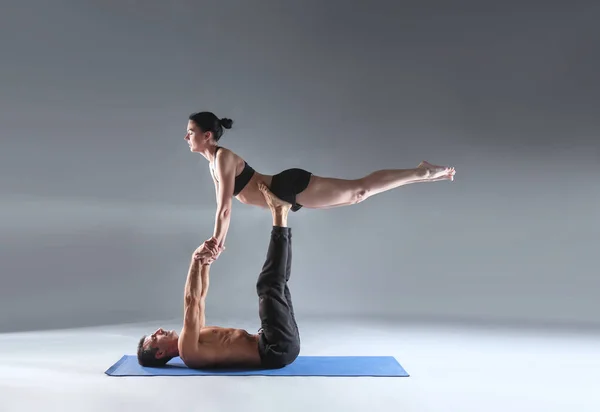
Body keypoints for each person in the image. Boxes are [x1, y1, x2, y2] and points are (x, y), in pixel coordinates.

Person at [184, 111, 456, 260]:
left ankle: (421, 172)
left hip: (288, 185)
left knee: (359, 191)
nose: (187, 136)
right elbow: (225, 208)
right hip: (285, 196)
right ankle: (420, 173)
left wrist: (217, 242)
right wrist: (217, 241)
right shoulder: (213, 164)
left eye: (191, 132)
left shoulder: (223, 158)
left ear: (207, 135)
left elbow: (224, 209)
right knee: (356, 196)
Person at [137, 182, 300, 369]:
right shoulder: (188, 351)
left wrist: (205, 263)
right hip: (274, 349)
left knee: (278, 284)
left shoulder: (194, 337)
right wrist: (194, 259)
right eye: (155, 337)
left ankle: (282, 214)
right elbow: (191, 301)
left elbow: (200, 297)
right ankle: (279, 214)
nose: (158, 331)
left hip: (277, 343)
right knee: (268, 284)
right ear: (160, 353)